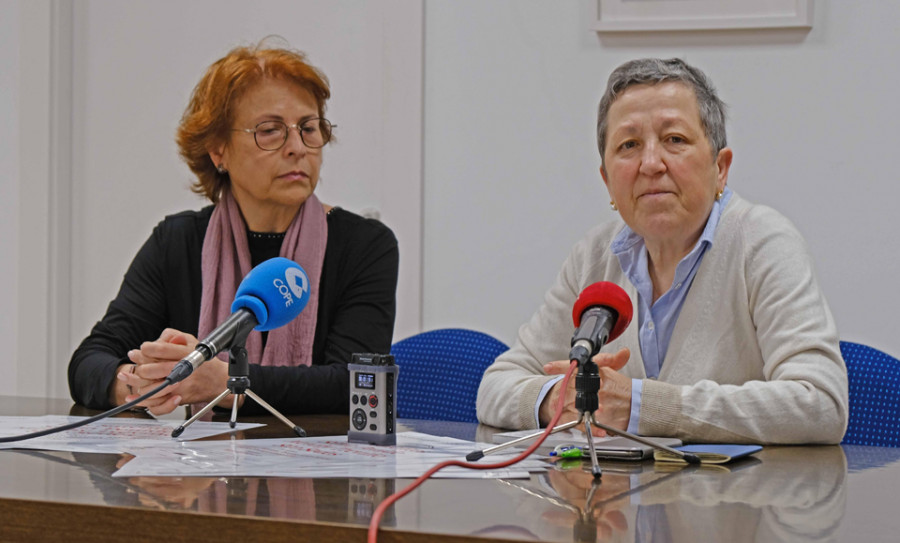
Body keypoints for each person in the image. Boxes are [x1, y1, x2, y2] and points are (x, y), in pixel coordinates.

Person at [476, 58, 848, 444]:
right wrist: (556, 399)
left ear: (720, 168)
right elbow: (495, 386)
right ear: (606, 181)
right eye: (629, 145)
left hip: (741, 501)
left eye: (675, 140)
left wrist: (643, 406)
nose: (651, 164)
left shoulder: (762, 242)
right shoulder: (595, 257)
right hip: (613, 500)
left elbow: (820, 404)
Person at [68, 41, 399, 416]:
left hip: (324, 470)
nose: (297, 147)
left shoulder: (365, 246)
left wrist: (224, 383)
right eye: (271, 130)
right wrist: (136, 381)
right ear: (218, 150)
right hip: (203, 470)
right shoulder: (177, 243)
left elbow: (355, 382)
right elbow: (88, 361)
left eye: (308, 128)